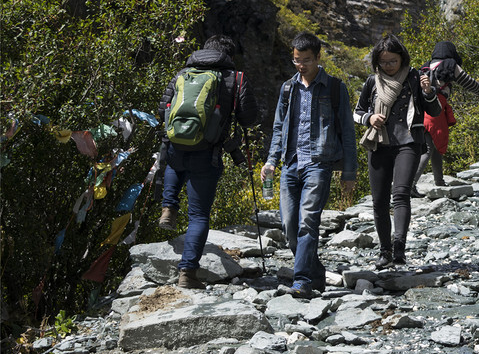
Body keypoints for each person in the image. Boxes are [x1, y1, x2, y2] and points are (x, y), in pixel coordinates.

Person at [158, 35, 258, 289]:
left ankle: (168, 207)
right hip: (208, 153)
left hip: (175, 147)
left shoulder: (184, 72)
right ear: (228, 56)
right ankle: (187, 273)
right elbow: (249, 118)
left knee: (175, 165)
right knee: (199, 216)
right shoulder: (235, 77)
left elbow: (163, 108)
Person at [262, 32, 357, 296]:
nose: (300, 65)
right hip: (290, 163)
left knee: (307, 222)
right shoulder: (287, 88)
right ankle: (315, 274)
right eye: (296, 60)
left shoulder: (336, 88)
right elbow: (279, 127)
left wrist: (349, 172)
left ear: (317, 57)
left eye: (305, 60)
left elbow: (347, 132)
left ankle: (301, 280)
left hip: (319, 164)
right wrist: (271, 161)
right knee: (289, 225)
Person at [354, 34, 441, 268]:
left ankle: (399, 247)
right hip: (379, 144)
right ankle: (385, 251)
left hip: (409, 141)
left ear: (402, 58)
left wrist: (429, 91)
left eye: (393, 61)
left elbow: (434, 110)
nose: (389, 66)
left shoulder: (415, 78)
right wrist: (369, 118)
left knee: (401, 193)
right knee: (379, 200)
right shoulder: (373, 82)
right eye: (384, 62)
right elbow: (357, 111)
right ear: (377, 62)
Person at [413, 41, 479, 192]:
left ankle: (439, 181)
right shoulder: (450, 65)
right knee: (428, 147)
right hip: (435, 110)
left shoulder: (425, 67)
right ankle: (408, 185)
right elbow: (469, 82)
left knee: (434, 145)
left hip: (421, 110)